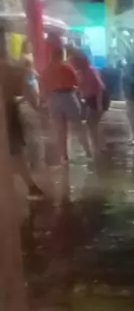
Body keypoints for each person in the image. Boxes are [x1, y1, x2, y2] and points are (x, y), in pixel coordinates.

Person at [0, 41, 45, 198]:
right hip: (10, 111)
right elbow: (28, 90)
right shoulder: (14, 70)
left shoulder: (16, 69)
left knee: (13, 151)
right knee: (15, 151)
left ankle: (24, 186)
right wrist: (35, 104)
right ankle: (30, 186)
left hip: (9, 111)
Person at [41, 44, 91, 162]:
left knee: (60, 129)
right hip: (68, 96)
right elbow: (76, 82)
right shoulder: (67, 67)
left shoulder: (47, 70)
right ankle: (88, 152)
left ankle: (64, 156)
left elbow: (43, 87)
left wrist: (45, 100)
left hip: (53, 98)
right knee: (78, 125)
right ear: (61, 55)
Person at [69, 48, 108, 154]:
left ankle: (98, 148)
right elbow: (83, 86)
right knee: (92, 124)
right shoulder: (84, 71)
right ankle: (98, 147)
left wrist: (99, 105)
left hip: (97, 98)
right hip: (92, 99)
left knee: (92, 124)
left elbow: (99, 88)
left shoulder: (89, 71)